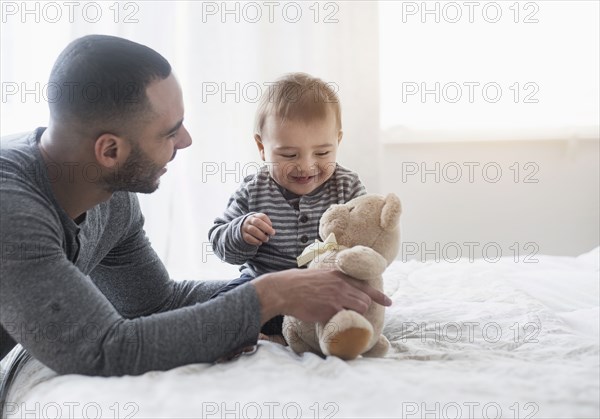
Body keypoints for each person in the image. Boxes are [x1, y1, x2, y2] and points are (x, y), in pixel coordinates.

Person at [0, 35, 391, 377]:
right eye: (170, 132)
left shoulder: (112, 197)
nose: (186, 141)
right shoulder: (13, 211)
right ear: (110, 150)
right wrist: (269, 294)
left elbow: (154, 303)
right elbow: (106, 349)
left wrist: (294, 291)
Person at [208, 73, 366, 336]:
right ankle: (256, 334)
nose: (306, 166)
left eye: (322, 153)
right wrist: (241, 232)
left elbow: (368, 238)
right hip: (266, 288)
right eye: (289, 154)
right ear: (261, 147)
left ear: (338, 141)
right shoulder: (253, 189)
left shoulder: (347, 187)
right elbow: (220, 242)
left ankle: (329, 335)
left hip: (325, 289)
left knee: (358, 302)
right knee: (224, 306)